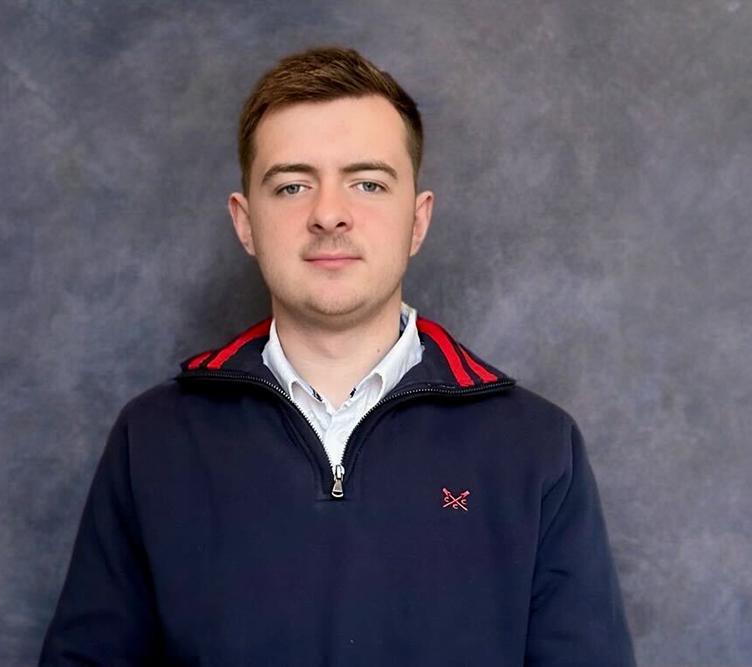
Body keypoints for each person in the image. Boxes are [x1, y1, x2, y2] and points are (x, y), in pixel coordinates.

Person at [39, 45, 636, 665]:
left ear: (417, 221)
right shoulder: (153, 440)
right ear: (245, 222)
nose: (329, 214)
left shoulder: (537, 448)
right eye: (292, 186)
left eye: (367, 183)